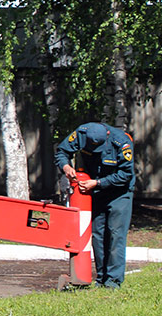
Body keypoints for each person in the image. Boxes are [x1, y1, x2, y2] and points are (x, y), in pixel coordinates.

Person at [55, 122, 135, 288]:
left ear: (106, 137)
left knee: (115, 234)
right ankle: (101, 278)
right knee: (97, 235)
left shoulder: (122, 142)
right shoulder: (81, 133)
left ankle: (113, 282)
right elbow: (62, 151)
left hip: (119, 192)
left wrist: (97, 183)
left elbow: (126, 174)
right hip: (95, 190)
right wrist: (66, 166)